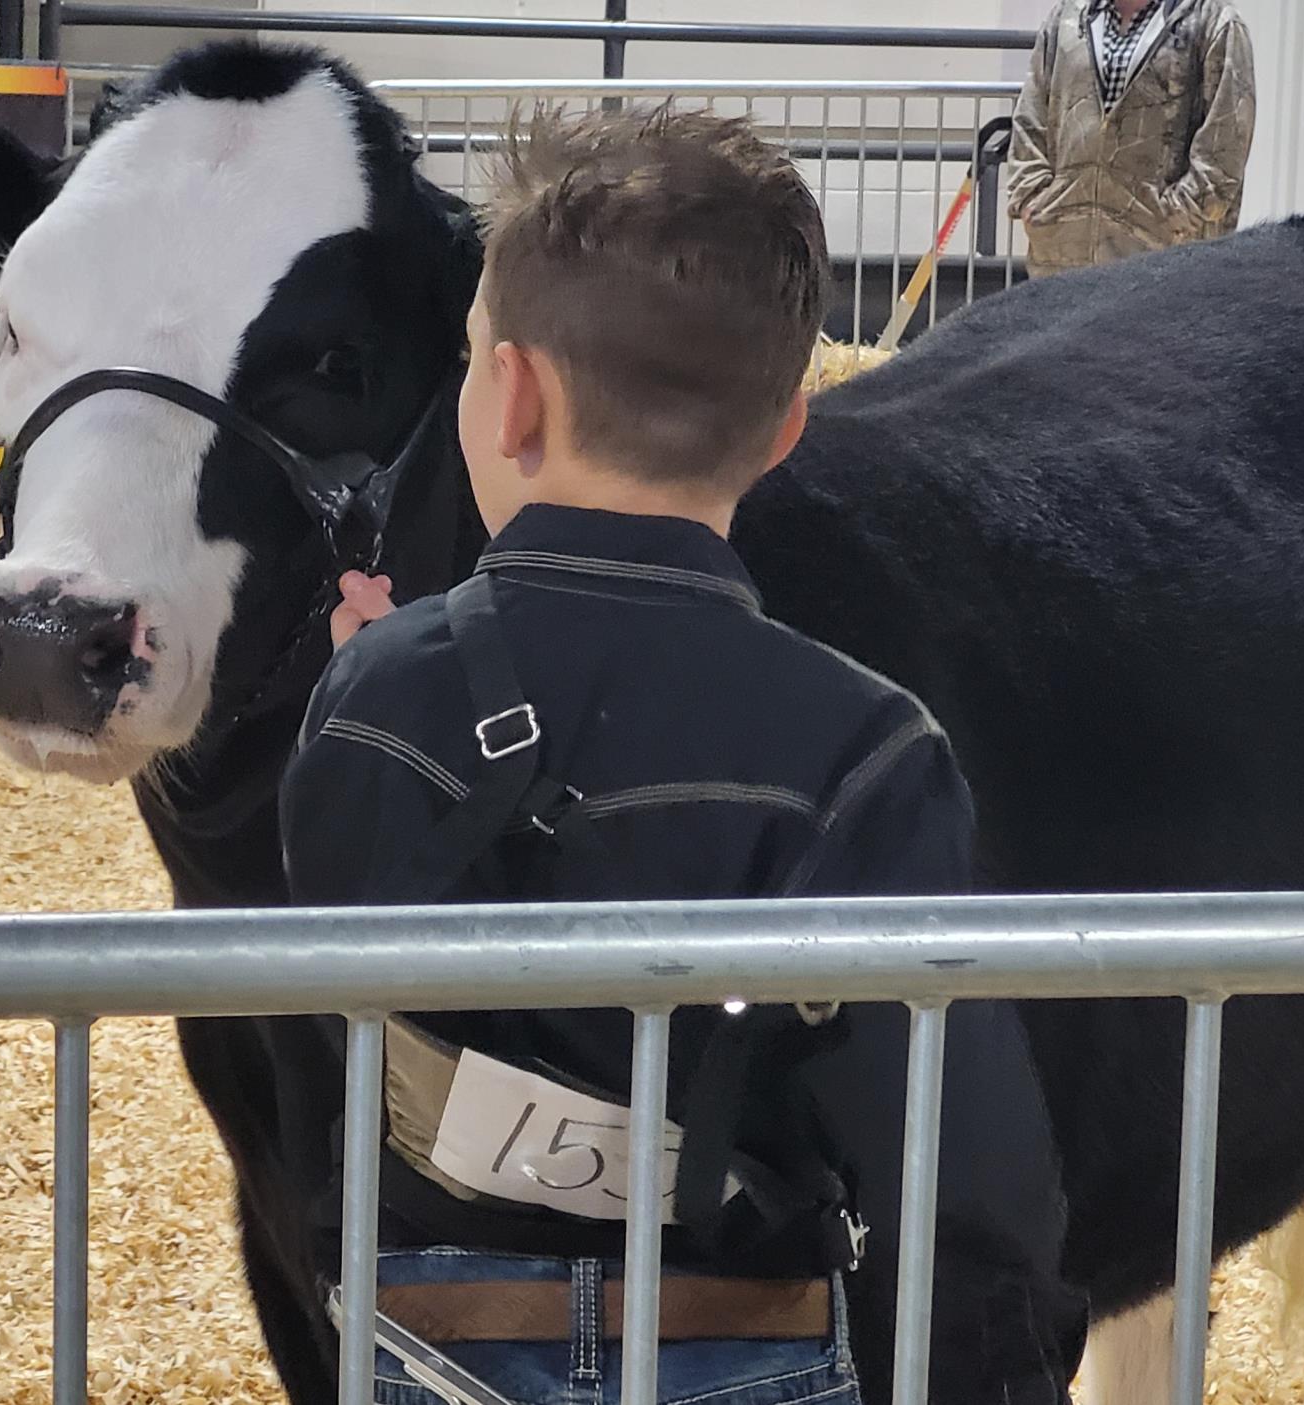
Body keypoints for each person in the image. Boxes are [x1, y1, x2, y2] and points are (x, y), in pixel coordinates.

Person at [279, 107, 1085, 1405]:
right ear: (782, 434)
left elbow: (334, 1003)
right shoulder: (866, 751)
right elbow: (962, 1165)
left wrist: (379, 681)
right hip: (748, 1342)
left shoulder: (374, 697)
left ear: (513, 394)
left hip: (432, 1343)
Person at [1007, 0, 1256, 277]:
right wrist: (1035, 199)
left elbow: (1224, 151)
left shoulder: (1215, 22)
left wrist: (1173, 218)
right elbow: (1030, 118)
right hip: (1061, 261)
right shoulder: (1066, 17)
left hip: (1163, 270)